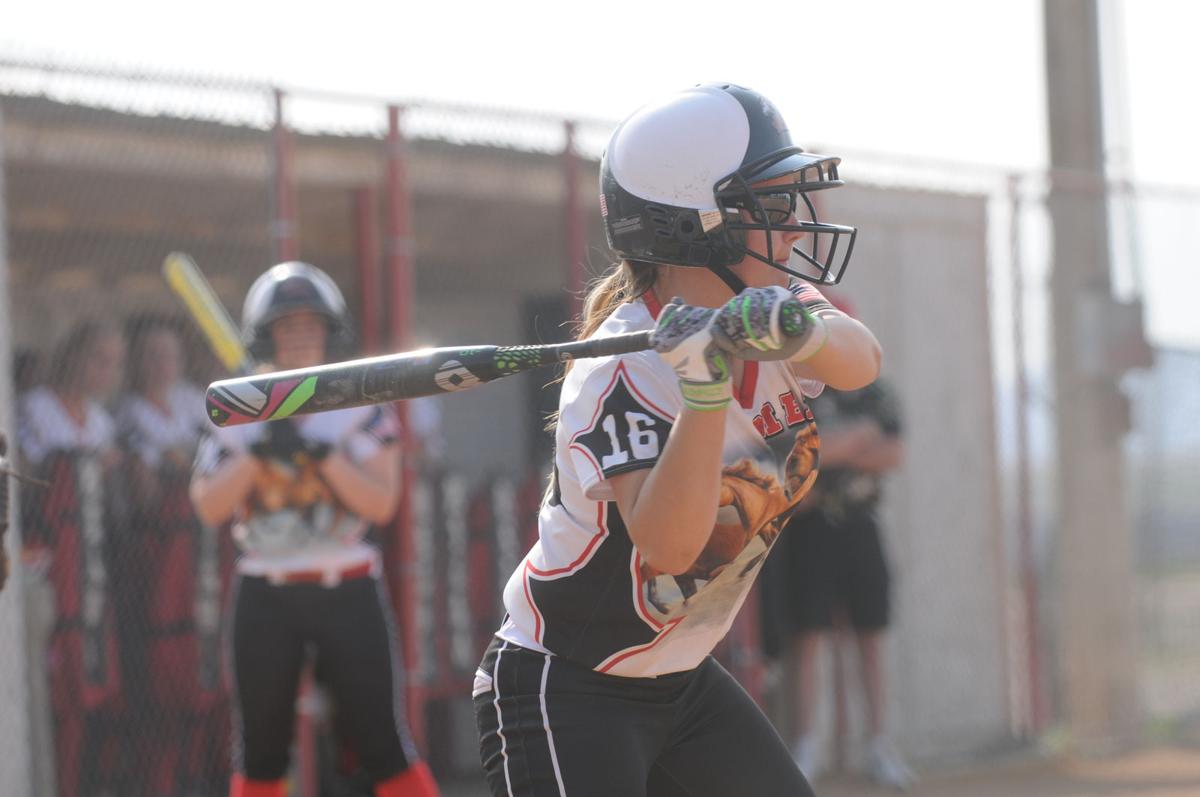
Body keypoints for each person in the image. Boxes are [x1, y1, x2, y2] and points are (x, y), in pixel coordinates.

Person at [473, 83, 881, 797]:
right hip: (565, 690)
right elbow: (669, 546)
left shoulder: (771, 307)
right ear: (703, 226)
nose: (793, 228)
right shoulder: (619, 372)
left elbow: (861, 359)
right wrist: (703, 392)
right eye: (771, 206)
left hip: (679, 683)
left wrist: (801, 330)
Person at [189, 262, 439, 797]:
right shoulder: (241, 406)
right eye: (287, 325)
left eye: (311, 324)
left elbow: (381, 502)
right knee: (260, 750)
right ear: (266, 335)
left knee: (381, 742)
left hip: (346, 586)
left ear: (330, 332)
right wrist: (260, 451)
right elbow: (209, 506)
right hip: (265, 592)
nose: (301, 335)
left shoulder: (359, 403)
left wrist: (320, 453)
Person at [760, 330, 913, 789]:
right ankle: (807, 746)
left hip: (860, 525)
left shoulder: (874, 390)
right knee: (809, 640)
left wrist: (825, 447)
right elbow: (787, 459)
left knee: (870, 635)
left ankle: (878, 746)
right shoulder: (791, 389)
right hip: (809, 531)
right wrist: (853, 441)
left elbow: (892, 452)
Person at [116, 315, 229, 796]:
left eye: (169, 355)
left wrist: (179, 463)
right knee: (163, 674)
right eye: (151, 356)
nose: (161, 365)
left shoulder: (191, 399)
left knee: (211, 665)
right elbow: (143, 488)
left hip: (204, 554)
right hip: (155, 557)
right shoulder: (127, 412)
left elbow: (219, 462)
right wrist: (183, 464)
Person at [17, 320, 128, 797]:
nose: (107, 371)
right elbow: (27, 480)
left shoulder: (103, 422)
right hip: (50, 567)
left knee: (96, 686)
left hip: (93, 571)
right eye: (99, 359)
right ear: (74, 357)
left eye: (115, 363)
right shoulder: (35, 408)